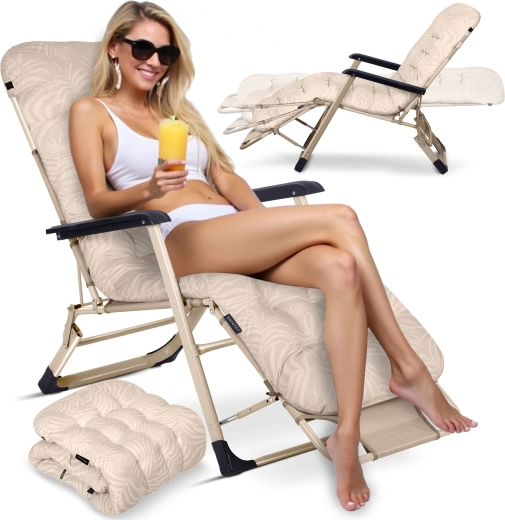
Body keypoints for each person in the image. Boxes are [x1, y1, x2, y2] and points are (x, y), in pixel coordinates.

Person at [69, 1, 477, 511]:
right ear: (115, 47)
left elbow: (226, 177)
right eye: (142, 47)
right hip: (183, 239)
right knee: (342, 216)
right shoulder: (92, 111)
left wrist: (267, 229)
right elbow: (96, 201)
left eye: (166, 53)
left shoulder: (178, 111)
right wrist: (150, 188)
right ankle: (409, 368)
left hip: (233, 232)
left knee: (341, 267)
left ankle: (346, 434)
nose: (154, 61)